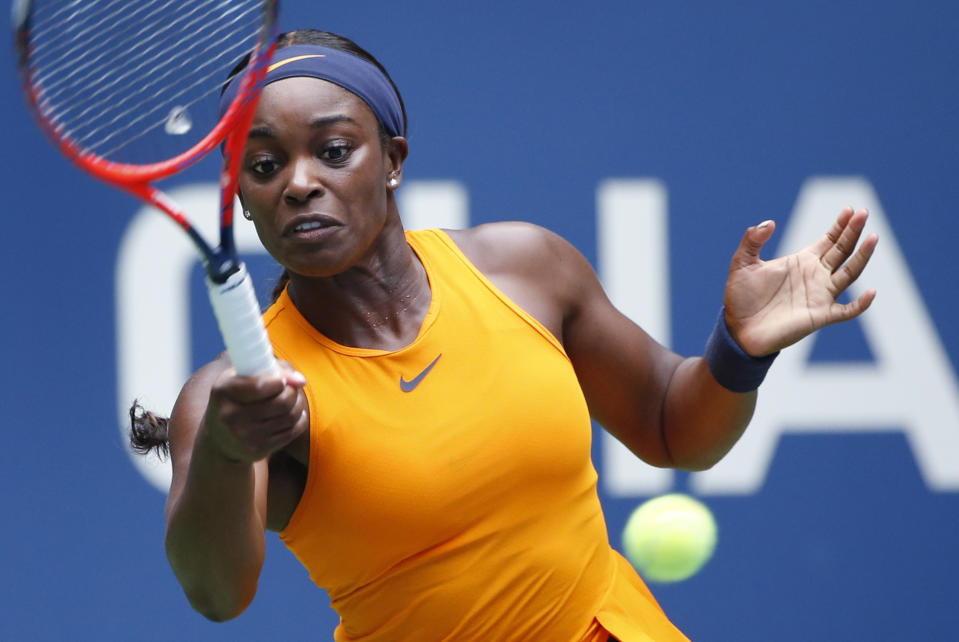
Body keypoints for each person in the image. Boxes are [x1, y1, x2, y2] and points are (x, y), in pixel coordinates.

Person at [131, 29, 877, 642]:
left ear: (391, 162)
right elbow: (215, 591)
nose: (297, 183)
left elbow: (670, 428)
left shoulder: (524, 267)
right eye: (263, 165)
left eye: (333, 151)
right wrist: (231, 449)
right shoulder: (229, 399)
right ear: (243, 197)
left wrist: (739, 348)